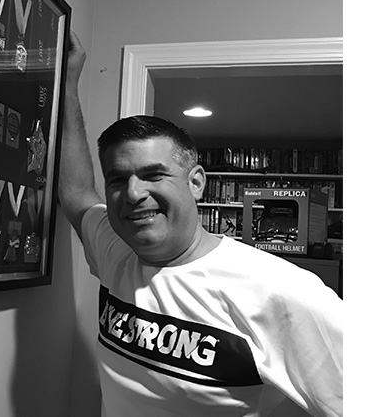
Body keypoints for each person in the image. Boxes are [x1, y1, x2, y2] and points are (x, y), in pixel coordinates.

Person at [58, 32, 342, 417]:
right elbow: (76, 192)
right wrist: (68, 83)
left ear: (196, 182)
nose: (133, 193)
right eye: (118, 179)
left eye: (154, 175)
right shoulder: (116, 248)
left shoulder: (282, 292)